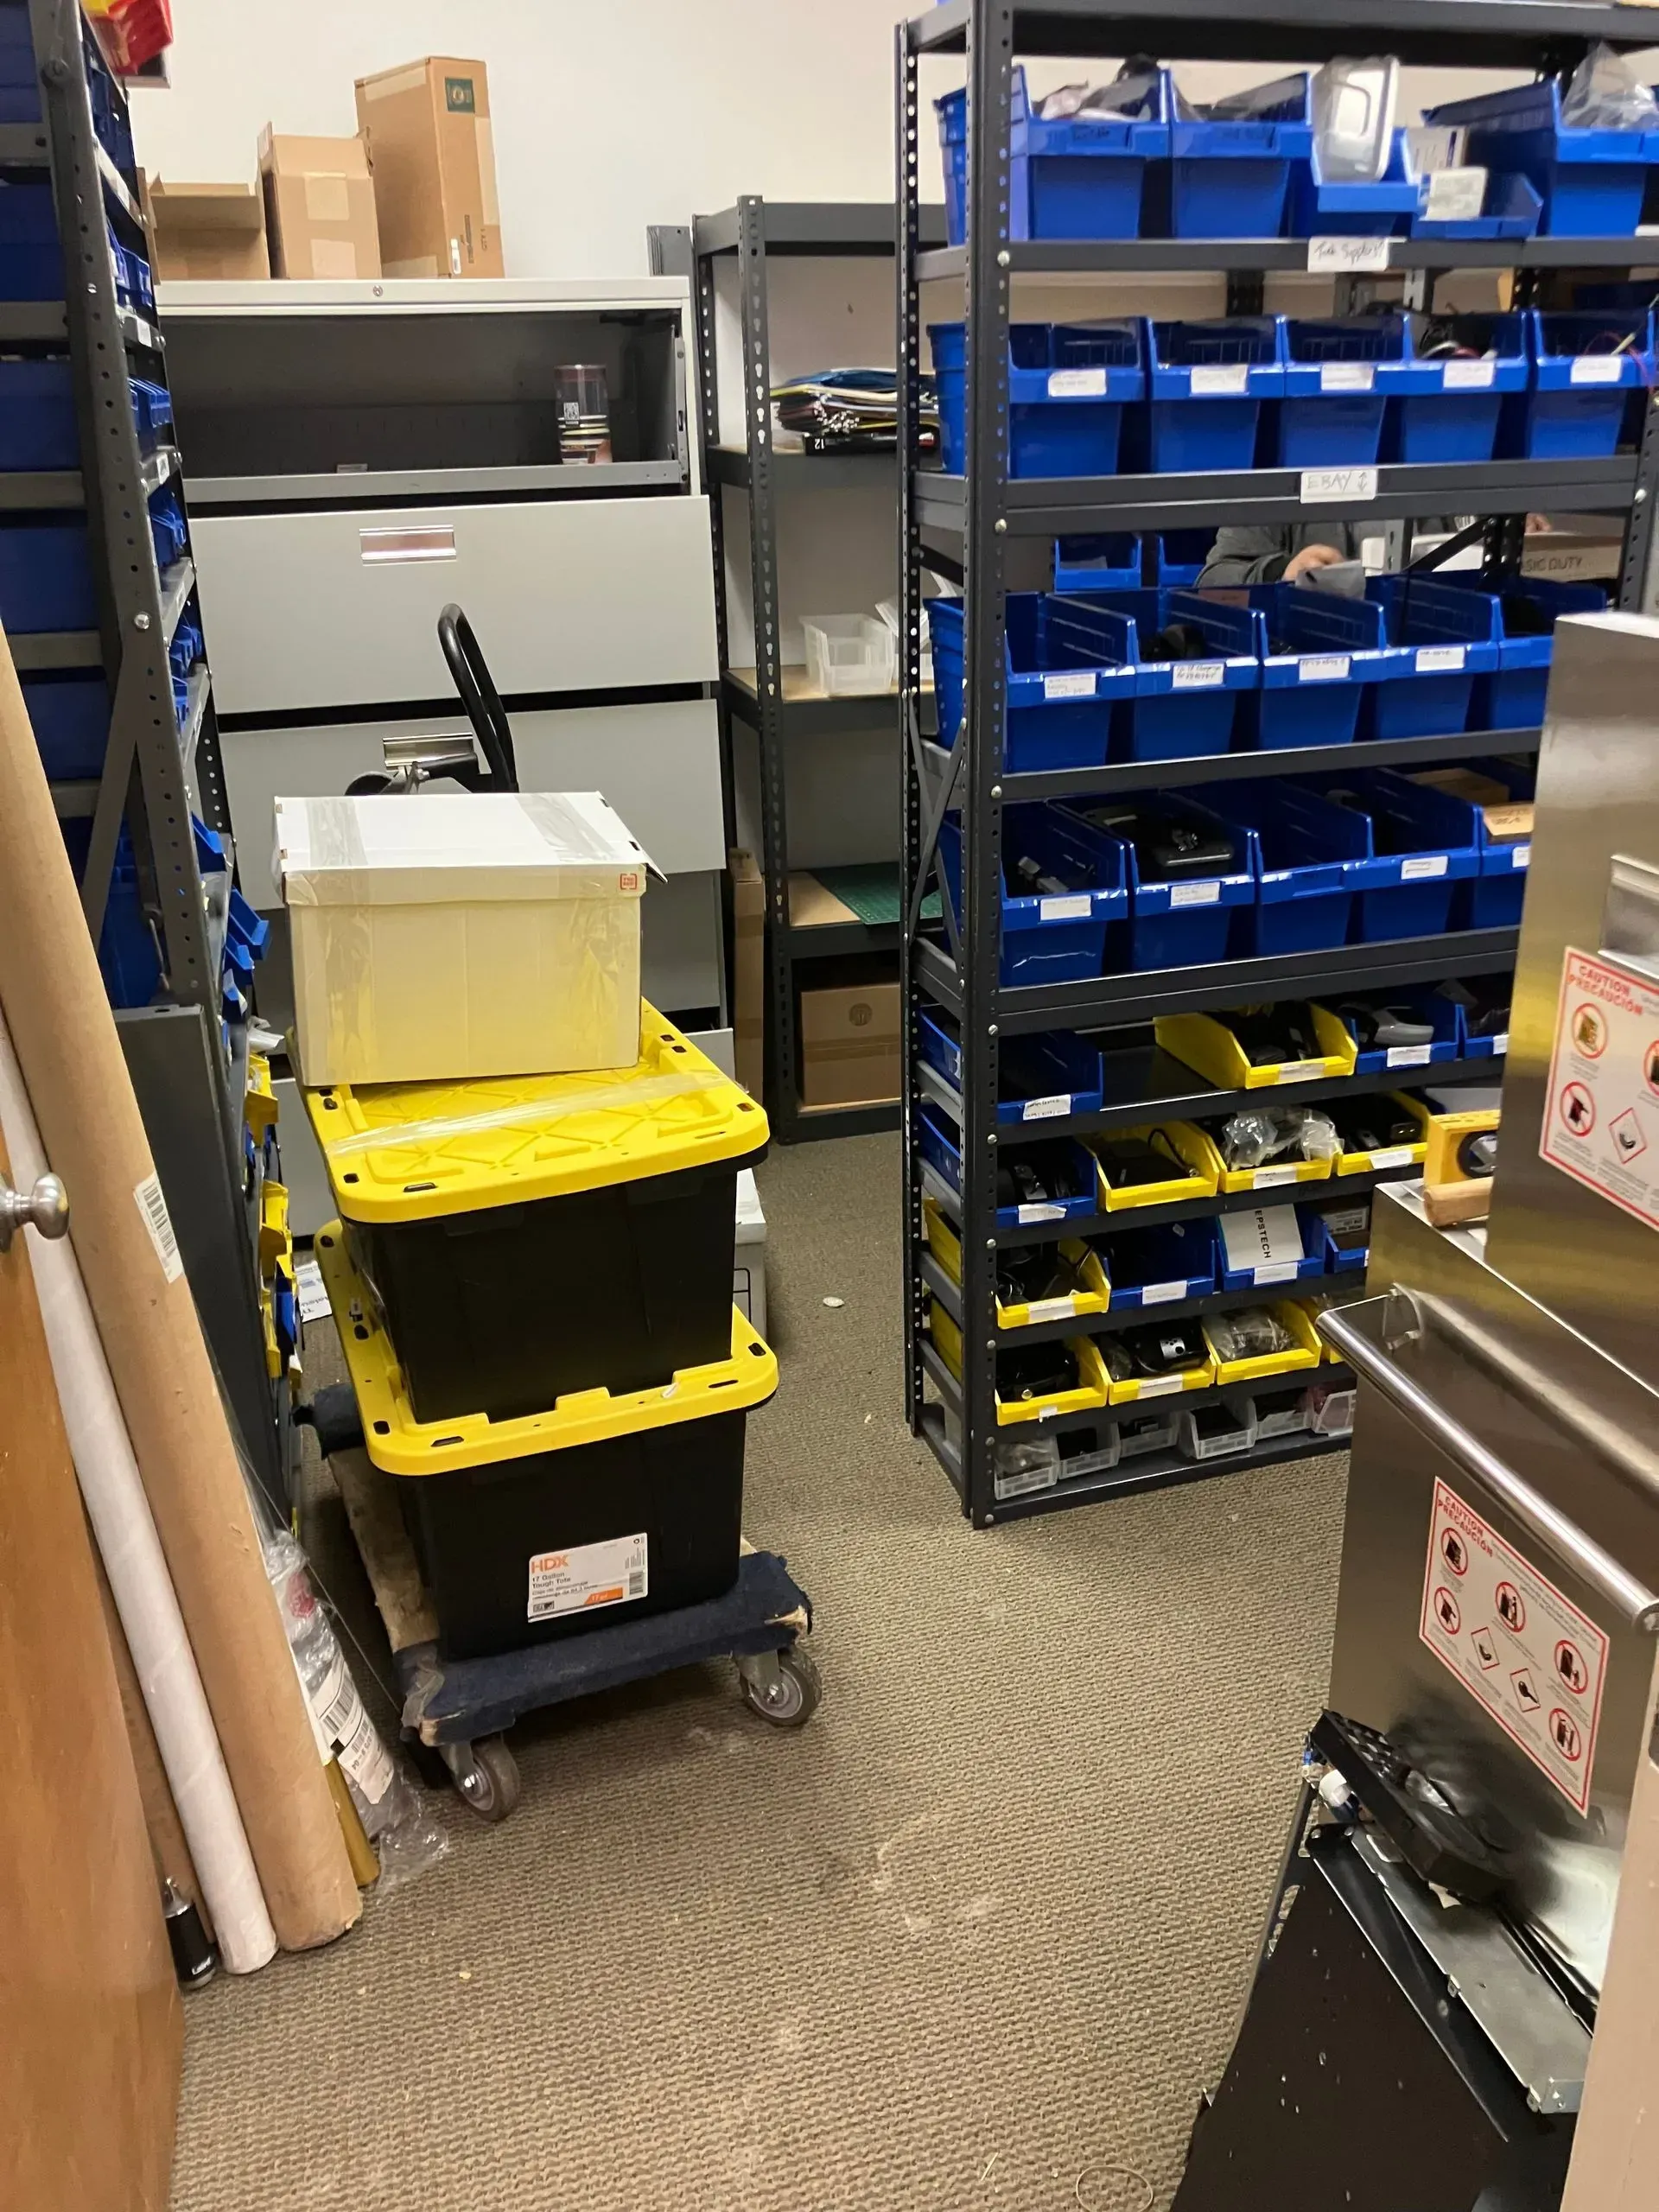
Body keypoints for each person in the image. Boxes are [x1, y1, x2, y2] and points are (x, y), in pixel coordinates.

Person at [1198, 515, 1549, 589]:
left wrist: (1515, 528)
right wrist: (1281, 571)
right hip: (1316, 659)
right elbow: (1211, 584)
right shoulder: (1276, 472)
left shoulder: (1448, 459)